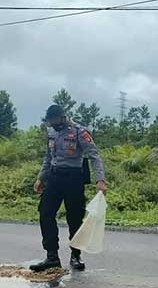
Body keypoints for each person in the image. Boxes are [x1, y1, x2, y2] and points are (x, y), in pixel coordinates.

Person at [30, 104, 106, 272]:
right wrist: (41, 178)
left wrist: (100, 180)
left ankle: (75, 255)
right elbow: (48, 157)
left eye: (55, 121)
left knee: (75, 218)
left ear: (63, 118)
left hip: (74, 178)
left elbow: (94, 156)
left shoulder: (79, 132)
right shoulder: (51, 132)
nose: (53, 125)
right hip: (54, 177)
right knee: (45, 213)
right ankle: (52, 257)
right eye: (50, 122)